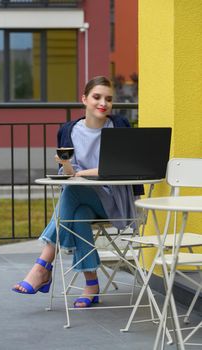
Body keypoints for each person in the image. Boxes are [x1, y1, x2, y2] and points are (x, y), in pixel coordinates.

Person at [12, 76, 143, 308]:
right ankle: (91, 285)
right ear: (84, 99)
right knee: (78, 214)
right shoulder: (69, 130)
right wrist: (70, 169)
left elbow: (124, 167)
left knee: (71, 192)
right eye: (97, 97)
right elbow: (69, 173)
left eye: (108, 99)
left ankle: (43, 264)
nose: (103, 103)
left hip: (114, 200)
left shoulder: (120, 126)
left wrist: (84, 174)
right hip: (83, 197)